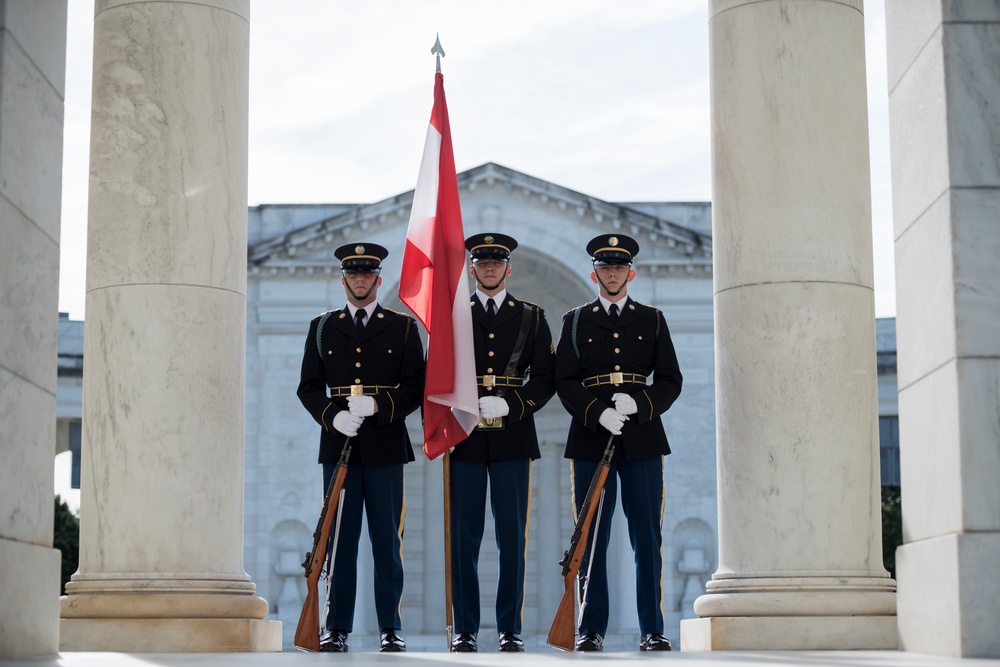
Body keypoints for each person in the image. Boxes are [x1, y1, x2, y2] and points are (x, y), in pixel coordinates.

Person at [554, 234, 683, 652]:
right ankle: (591, 628)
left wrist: (641, 403)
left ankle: (652, 627)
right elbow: (564, 381)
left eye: (619, 267)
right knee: (591, 534)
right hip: (592, 435)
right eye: (605, 268)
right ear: (595, 274)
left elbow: (670, 380)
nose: (612, 273)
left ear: (631, 273)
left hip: (642, 436)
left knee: (646, 535)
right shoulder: (574, 321)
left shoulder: (652, 319)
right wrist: (598, 412)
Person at [297, 242, 425, 653]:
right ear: (343, 280)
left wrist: (377, 405)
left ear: (378, 279)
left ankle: (390, 627)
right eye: (353, 274)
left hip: (386, 444)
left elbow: (415, 388)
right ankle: (336, 627)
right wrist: (332, 416)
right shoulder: (322, 327)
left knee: (388, 542)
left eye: (367, 274)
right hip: (339, 446)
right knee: (340, 542)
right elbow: (309, 388)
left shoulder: (403, 327)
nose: (360, 280)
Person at [448, 233, 556, 653]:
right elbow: (436, 374)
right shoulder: (453, 315)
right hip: (466, 434)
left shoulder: (531, 317)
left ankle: (510, 627)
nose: (490, 268)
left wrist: (513, 403)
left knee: (511, 538)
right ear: (472, 269)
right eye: (482, 262)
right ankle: (466, 629)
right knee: (465, 539)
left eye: (497, 263)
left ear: (508, 269)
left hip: (512, 434)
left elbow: (545, 378)